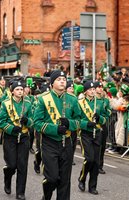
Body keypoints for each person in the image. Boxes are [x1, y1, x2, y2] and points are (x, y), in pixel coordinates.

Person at [33, 70, 81, 200]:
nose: (62, 81)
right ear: (52, 82)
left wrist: (69, 123)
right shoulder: (43, 99)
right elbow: (37, 123)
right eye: (59, 79)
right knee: (52, 178)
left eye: (64, 79)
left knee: (65, 180)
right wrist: (55, 129)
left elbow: (79, 121)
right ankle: (46, 195)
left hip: (67, 142)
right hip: (49, 142)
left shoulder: (73, 99)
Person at [0, 80, 33, 200]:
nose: (20, 91)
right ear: (12, 91)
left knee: (22, 165)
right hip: (10, 137)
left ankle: (20, 192)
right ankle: (7, 178)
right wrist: (12, 128)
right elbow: (0, 122)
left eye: (21, 89)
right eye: (17, 89)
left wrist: (27, 121)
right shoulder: (6, 103)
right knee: (12, 165)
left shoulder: (28, 103)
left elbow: (33, 120)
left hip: (23, 137)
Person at [77, 80, 108, 195]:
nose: (92, 91)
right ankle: (82, 178)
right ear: (85, 92)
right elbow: (76, 119)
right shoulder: (79, 103)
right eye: (90, 90)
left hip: (97, 132)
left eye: (94, 89)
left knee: (96, 161)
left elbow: (106, 117)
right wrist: (86, 124)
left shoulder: (99, 103)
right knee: (89, 158)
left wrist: (100, 118)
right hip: (85, 133)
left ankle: (92, 186)